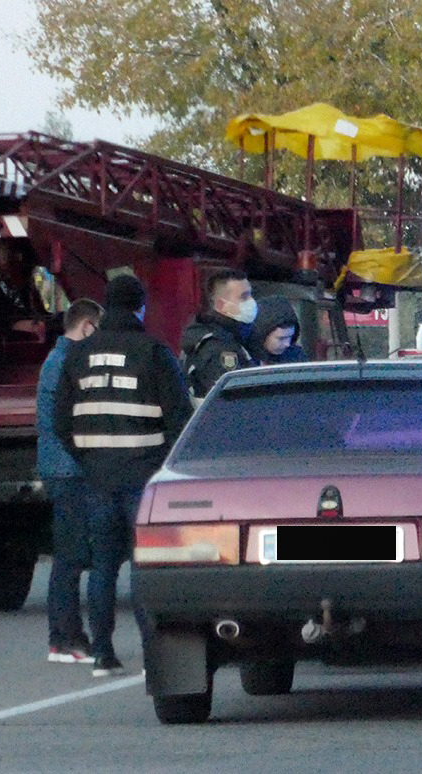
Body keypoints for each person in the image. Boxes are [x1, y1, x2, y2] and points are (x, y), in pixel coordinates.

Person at [55, 275, 192, 677]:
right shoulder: (153, 352)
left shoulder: (78, 355)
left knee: (102, 566)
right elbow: (179, 418)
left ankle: (102, 653)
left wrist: (87, 458)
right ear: (140, 307)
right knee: (144, 566)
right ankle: (153, 654)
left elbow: (61, 421)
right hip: (144, 477)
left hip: (97, 477)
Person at [38, 298, 102, 664]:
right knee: (72, 558)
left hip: (61, 468)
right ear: (87, 327)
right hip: (70, 470)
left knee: (70, 557)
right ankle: (66, 639)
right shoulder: (68, 363)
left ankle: (65, 638)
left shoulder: (57, 360)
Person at [181, 268, 256, 400]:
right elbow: (233, 399)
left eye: (251, 295)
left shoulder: (233, 335)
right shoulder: (217, 347)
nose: (252, 301)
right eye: (244, 297)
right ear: (221, 305)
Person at [248, 295, 307, 365]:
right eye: (281, 338)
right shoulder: (244, 357)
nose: (287, 344)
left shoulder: (296, 356)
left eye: (290, 337)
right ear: (262, 335)